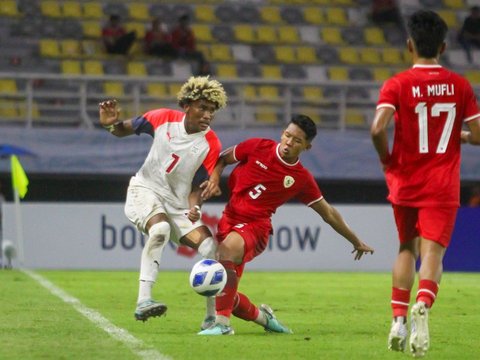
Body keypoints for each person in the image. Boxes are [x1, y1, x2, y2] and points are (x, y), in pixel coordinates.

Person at [198, 114, 375, 335]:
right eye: (287, 135)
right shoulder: (257, 146)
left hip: (255, 228)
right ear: (283, 133)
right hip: (228, 220)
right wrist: (214, 179)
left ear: (307, 147)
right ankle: (267, 320)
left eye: (297, 141)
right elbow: (223, 158)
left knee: (225, 252)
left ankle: (222, 325)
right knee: (226, 295)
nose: (289, 143)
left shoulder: (300, 178)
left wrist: (355, 241)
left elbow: (328, 213)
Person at [370, 10, 480, 357]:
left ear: (409, 45)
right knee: (432, 253)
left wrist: (387, 159)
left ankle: (398, 319)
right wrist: (461, 136)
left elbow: (377, 129)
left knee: (406, 247)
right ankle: (423, 304)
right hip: (441, 184)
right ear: (444, 46)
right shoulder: (460, 85)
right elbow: (478, 135)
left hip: (405, 180)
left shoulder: (397, 83)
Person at [98, 76, 228, 327]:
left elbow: (197, 187)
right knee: (160, 230)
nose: (207, 115)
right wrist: (110, 125)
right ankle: (143, 300)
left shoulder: (211, 143)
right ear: (187, 105)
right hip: (144, 189)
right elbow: (122, 129)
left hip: (178, 204)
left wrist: (196, 206)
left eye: (212, 110)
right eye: (202, 107)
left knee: (210, 248)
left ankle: (211, 318)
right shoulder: (162, 118)